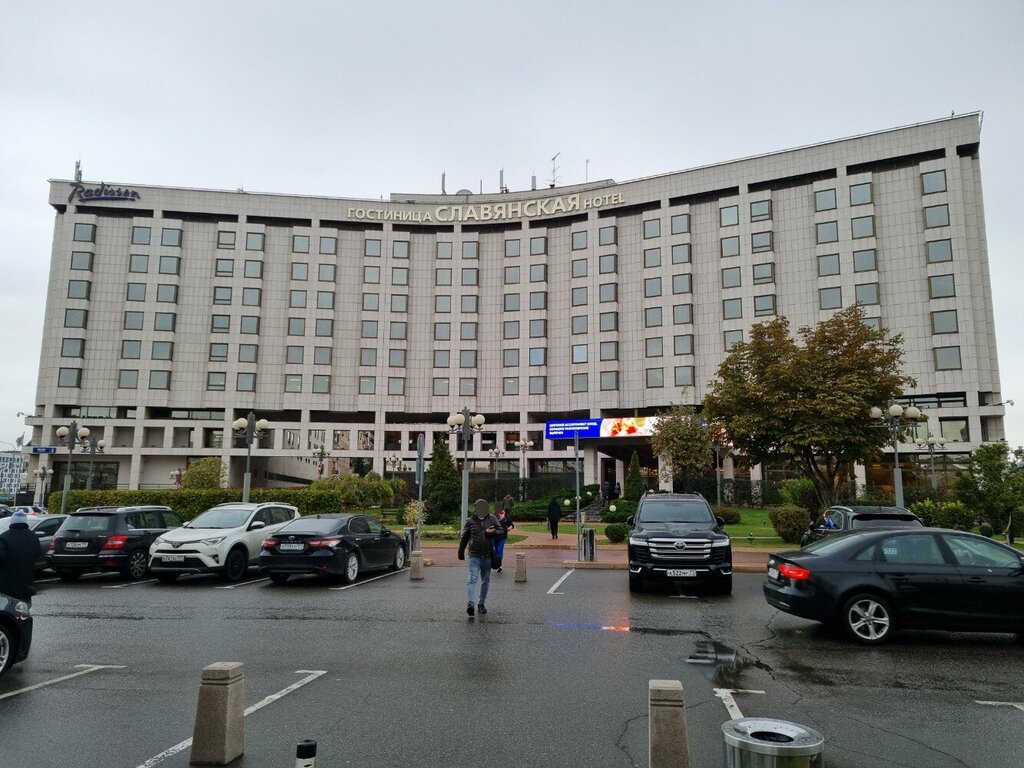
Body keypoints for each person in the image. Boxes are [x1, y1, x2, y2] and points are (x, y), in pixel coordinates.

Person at [458, 499, 500, 616]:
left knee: (485, 581)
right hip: (474, 556)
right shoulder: (470, 521)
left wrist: (493, 531)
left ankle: (481, 604)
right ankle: (470, 604)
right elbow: (464, 537)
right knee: (472, 579)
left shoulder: (492, 519)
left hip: (487, 556)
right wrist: (460, 552)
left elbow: (501, 531)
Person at [0, 509, 42, 605]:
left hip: (6, 584)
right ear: (25, 522)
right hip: (26, 583)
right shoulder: (33, 537)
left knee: (6, 608)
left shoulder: (4, 537)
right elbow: (38, 554)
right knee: (24, 609)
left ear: (12, 522)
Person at [494, 504, 514, 572]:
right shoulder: (493, 516)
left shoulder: (506, 516)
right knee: (495, 551)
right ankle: (496, 563)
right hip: (494, 536)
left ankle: (499, 565)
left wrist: (510, 527)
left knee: (500, 550)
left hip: (502, 536)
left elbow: (511, 524)